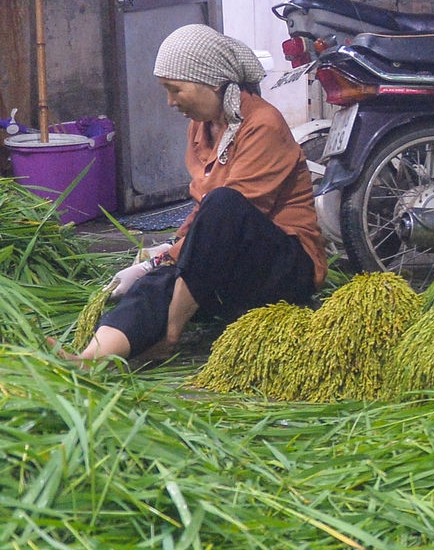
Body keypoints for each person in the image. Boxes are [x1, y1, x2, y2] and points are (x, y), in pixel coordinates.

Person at [76, 25, 324, 363]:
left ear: (212, 82)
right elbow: (204, 217)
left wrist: (176, 258)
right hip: (232, 261)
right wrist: (161, 258)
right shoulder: (203, 127)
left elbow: (226, 216)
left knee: (220, 209)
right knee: (160, 281)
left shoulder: (262, 124)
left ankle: (170, 336)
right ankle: (89, 358)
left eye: (175, 89)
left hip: (285, 267)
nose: (170, 102)